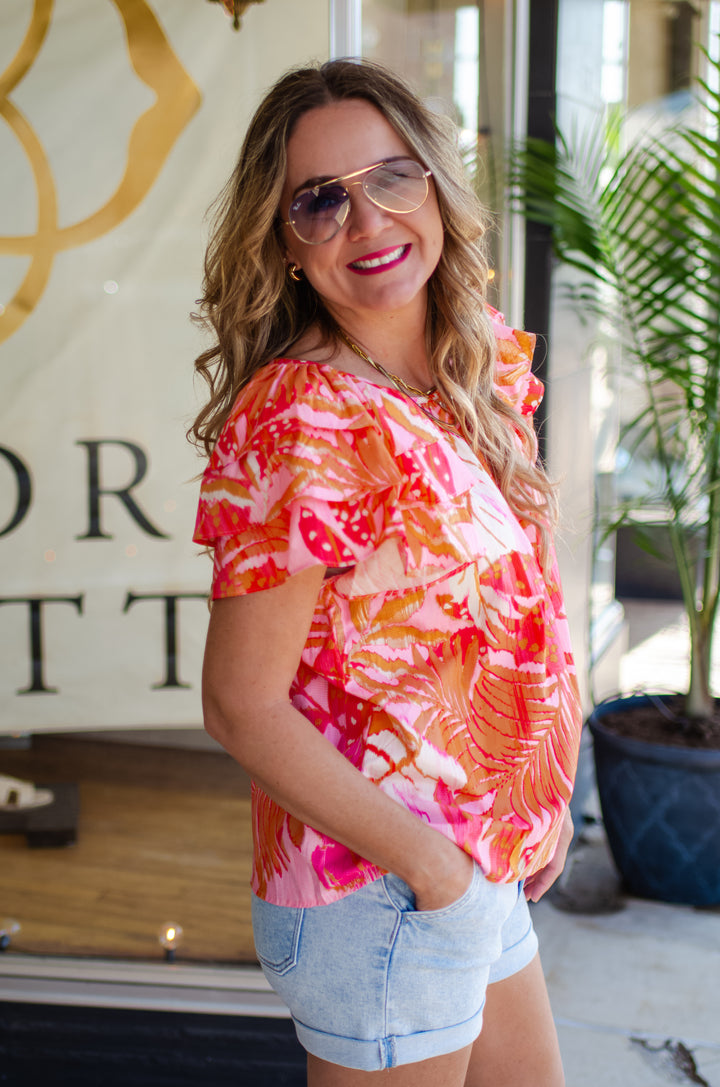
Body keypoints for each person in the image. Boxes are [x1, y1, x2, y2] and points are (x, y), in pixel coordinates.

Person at [191, 58, 582, 1087]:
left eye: (392, 177)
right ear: (283, 242)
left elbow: (527, 598)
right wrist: (432, 869)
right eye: (320, 200)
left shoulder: (470, 362)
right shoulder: (304, 418)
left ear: (436, 186)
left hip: (477, 857)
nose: (367, 221)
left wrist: (546, 781)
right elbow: (238, 704)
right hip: (379, 887)